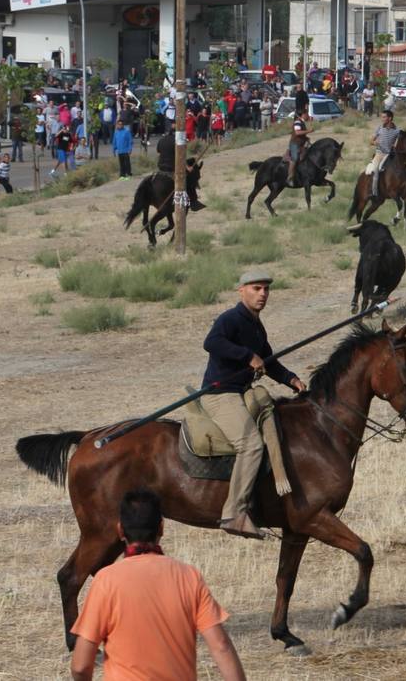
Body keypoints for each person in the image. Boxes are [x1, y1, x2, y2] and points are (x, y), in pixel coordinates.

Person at [70, 488, 244, 681]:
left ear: (120, 530)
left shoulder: (106, 581)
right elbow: (221, 646)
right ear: (161, 528)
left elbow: (80, 666)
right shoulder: (189, 577)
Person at [200, 271, 306, 540]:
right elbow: (211, 343)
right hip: (220, 394)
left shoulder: (256, 326)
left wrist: (290, 379)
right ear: (241, 291)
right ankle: (234, 514)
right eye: (256, 288)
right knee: (250, 444)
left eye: (266, 290)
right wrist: (247, 355)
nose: (263, 294)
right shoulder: (231, 318)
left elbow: (268, 362)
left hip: (241, 393)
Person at [367, 109, 399, 197]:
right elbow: (370, 141)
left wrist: (395, 146)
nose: (382, 119)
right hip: (380, 154)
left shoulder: (397, 130)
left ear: (390, 118)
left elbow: (397, 143)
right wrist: (375, 142)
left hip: (390, 155)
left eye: (384, 117)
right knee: (375, 170)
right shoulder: (379, 128)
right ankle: (373, 192)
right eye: (382, 117)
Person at [284, 118, 309, 187]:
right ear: (303, 114)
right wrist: (309, 131)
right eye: (306, 112)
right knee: (294, 159)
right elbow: (297, 132)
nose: (308, 114)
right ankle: (290, 178)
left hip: (301, 143)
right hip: (295, 144)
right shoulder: (298, 121)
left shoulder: (302, 122)